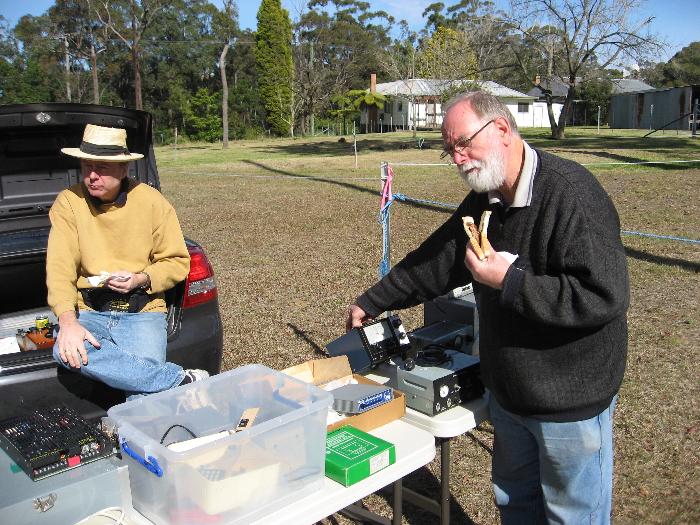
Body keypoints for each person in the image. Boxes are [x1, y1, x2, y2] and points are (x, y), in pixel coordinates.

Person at [346, 91, 629, 524]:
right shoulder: (488, 198)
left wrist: (509, 282)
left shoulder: (570, 194)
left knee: (573, 516)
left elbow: (602, 296)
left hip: (569, 405)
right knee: (516, 507)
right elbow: (438, 259)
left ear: (501, 129)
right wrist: (373, 301)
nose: (458, 159)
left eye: (463, 143)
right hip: (510, 397)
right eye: (449, 151)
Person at [47, 123, 209, 399]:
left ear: (124, 169)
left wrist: (141, 278)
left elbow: (177, 262)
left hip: (142, 311)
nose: (92, 176)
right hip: (90, 310)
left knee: (142, 398)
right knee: (65, 350)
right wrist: (68, 321)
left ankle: (132, 437)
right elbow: (60, 267)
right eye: (87, 167)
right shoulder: (69, 202)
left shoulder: (151, 202)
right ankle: (179, 379)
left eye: (103, 168)